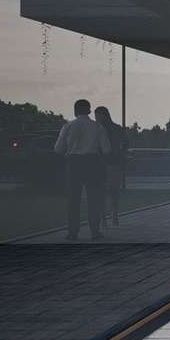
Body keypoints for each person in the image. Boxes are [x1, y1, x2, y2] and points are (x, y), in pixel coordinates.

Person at [54, 98, 111, 240]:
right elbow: (107, 150)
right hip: (92, 163)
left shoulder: (68, 126)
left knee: (73, 199)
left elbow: (58, 149)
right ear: (89, 111)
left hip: (73, 163)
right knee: (93, 198)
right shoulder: (97, 127)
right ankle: (95, 231)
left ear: (75, 111)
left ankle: (73, 232)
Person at [94, 106, 125, 227]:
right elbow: (126, 144)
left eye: (97, 115)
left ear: (103, 115)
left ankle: (105, 219)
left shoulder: (98, 129)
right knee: (113, 191)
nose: (96, 118)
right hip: (112, 163)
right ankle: (112, 216)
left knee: (104, 192)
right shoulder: (117, 128)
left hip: (104, 163)